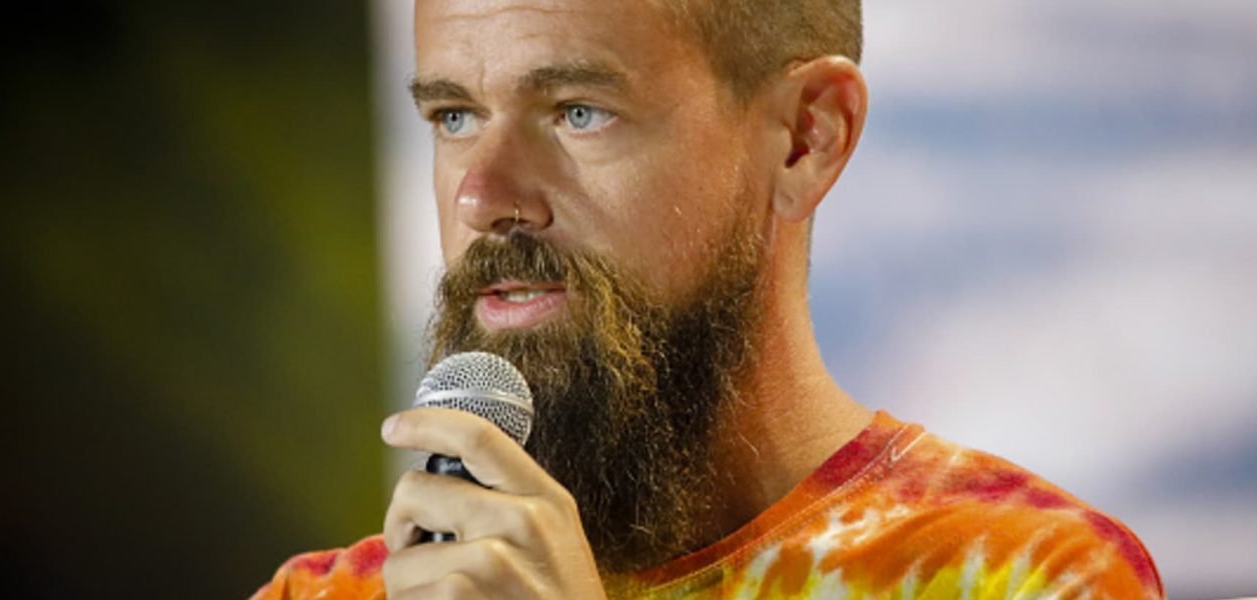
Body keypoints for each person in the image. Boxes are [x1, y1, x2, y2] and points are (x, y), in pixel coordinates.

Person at [253, 1, 1164, 598]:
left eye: (577, 111)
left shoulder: (1025, 576)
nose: (482, 197)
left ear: (807, 137)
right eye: (454, 117)